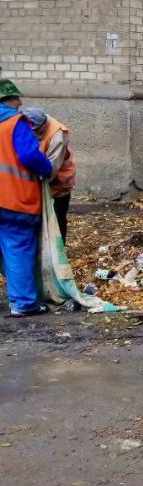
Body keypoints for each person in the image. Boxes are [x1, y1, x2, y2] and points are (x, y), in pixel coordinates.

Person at [0, 79, 53, 316]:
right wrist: (48, 168)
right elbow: (30, 155)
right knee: (18, 247)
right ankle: (23, 303)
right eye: (15, 98)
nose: (20, 103)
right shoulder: (13, 122)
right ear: (5, 100)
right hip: (12, 200)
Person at [23, 107, 77, 242]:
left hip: (59, 182)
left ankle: (59, 251)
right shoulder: (27, 124)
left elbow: (52, 168)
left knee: (57, 217)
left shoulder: (58, 135)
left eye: (36, 131)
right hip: (38, 178)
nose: (33, 133)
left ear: (43, 124)